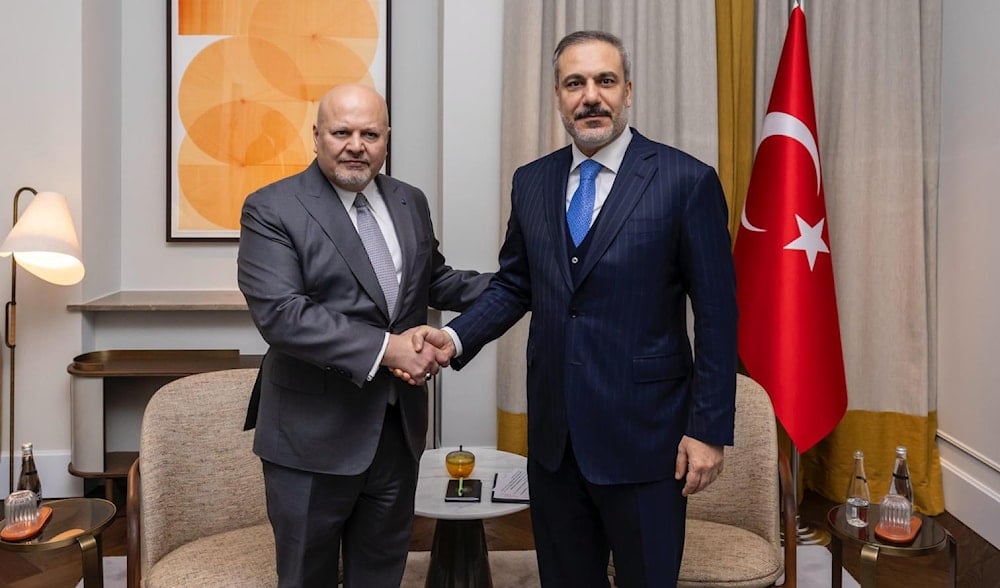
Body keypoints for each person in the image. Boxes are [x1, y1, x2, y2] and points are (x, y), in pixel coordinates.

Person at [414, 30, 738, 586]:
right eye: (575, 83)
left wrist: (707, 430)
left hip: (648, 441)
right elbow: (517, 284)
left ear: (628, 91)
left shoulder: (686, 182)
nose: (591, 96)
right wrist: (458, 337)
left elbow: (717, 317)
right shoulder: (532, 182)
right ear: (558, 97)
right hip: (555, 442)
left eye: (605, 81)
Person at [237, 83, 490, 587]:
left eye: (370, 134)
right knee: (306, 577)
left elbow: (433, 280)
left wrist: (521, 286)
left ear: (387, 139)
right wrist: (391, 348)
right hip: (310, 439)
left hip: (396, 433)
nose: (357, 145)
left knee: (380, 574)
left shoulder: (408, 200)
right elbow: (283, 314)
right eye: (342, 132)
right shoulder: (272, 207)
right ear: (316, 137)